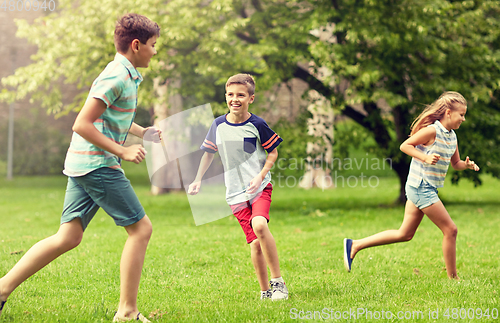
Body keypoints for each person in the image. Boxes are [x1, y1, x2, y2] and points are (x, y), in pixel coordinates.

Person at [0, 13, 161, 322]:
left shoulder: (124, 74)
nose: (156, 51)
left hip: (83, 163)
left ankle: (2, 289)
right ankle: (127, 312)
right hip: (96, 163)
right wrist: (122, 151)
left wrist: (143, 133)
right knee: (141, 229)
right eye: (154, 45)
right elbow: (82, 124)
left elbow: (111, 118)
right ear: (137, 45)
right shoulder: (116, 76)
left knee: (68, 237)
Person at [343, 91, 480, 279]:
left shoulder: (452, 136)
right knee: (451, 229)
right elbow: (405, 146)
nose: (463, 119)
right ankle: (453, 278)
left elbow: (455, 164)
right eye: (461, 114)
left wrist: (467, 165)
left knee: (405, 234)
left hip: (424, 187)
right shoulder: (432, 131)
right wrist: (425, 157)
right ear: (448, 112)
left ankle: (355, 245)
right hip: (421, 187)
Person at [187, 74, 289, 300]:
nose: (235, 99)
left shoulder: (257, 124)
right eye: (231, 94)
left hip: (259, 187)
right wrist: (197, 179)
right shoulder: (218, 125)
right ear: (226, 97)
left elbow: (273, 152)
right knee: (254, 244)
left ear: (251, 98)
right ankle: (265, 292)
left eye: (241, 95)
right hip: (235, 194)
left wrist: (261, 174)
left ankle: (278, 283)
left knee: (260, 225)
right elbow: (208, 154)